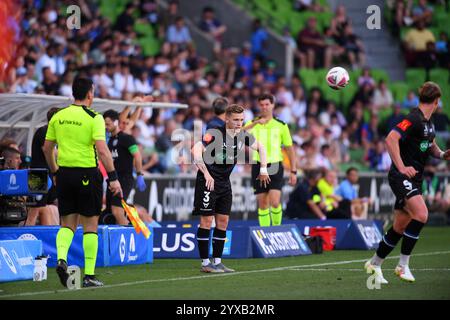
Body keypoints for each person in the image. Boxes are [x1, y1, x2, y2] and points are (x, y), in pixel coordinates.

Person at [364, 82, 450, 284]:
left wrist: (442, 154)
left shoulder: (428, 122)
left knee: (399, 227)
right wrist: (402, 167)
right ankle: (402, 266)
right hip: (401, 176)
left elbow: (429, 145)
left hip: (415, 178)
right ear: (436, 101)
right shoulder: (413, 118)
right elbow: (390, 139)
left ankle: (374, 263)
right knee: (421, 214)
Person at [43, 77, 122, 288]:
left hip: (64, 174)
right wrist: (113, 178)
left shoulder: (58, 116)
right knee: (90, 226)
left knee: (67, 223)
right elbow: (103, 150)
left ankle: (61, 259)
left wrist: (55, 172)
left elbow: (47, 148)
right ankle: (88, 275)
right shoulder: (94, 117)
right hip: (87, 174)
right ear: (89, 94)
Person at [192, 104, 270, 273]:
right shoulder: (214, 133)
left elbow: (262, 147)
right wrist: (205, 173)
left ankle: (218, 261)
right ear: (226, 119)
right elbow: (195, 150)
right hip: (208, 181)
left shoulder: (242, 135)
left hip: (224, 183)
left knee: (223, 222)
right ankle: (205, 263)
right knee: (206, 221)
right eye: (235, 120)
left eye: (242, 120)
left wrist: (263, 169)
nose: (239, 123)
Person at [245, 94, 297, 227]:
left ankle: (276, 228)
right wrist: (255, 123)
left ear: (273, 105)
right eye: (262, 105)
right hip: (258, 165)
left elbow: (290, 149)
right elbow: (235, 132)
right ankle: (265, 231)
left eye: (267, 104)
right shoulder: (253, 123)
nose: (264, 107)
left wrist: (293, 171)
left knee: (274, 201)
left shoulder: (281, 125)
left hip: (274, 165)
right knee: (262, 203)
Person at [103, 109, 147, 225]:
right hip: (112, 180)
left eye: (108, 124)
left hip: (124, 179)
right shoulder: (108, 141)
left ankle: (128, 236)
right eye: (104, 124)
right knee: (111, 212)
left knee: (116, 210)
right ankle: (134, 225)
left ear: (116, 123)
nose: (106, 127)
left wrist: (139, 175)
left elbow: (137, 156)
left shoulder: (127, 139)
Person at [26, 107, 60, 226]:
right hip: (37, 176)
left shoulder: (54, 134)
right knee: (33, 212)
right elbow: (48, 150)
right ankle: (25, 237)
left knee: (51, 206)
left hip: (49, 174)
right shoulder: (44, 131)